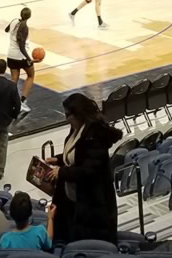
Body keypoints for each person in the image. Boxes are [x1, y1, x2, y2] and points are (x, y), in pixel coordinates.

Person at [49, 92, 121, 244]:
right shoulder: (77, 128)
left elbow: (88, 170)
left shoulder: (95, 136)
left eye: (68, 115)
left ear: (78, 114)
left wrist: (61, 171)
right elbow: (78, 154)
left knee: (89, 244)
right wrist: (59, 159)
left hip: (92, 205)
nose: (66, 118)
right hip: (74, 198)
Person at [5, 7, 36, 116]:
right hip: (21, 56)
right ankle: (22, 102)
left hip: (10, 55)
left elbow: (6, 30)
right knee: (31, 75)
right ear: (29, 16)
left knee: (14, 79)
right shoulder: (25, 28)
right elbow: (21, 46)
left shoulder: (14, 21)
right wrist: (29, 59)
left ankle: (10, 101)